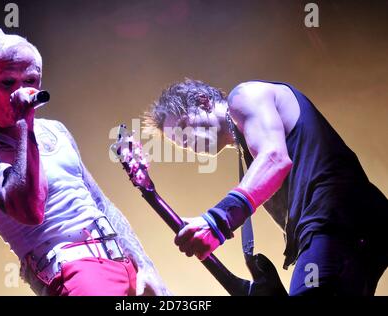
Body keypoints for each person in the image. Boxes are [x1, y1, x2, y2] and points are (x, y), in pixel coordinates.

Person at [0, 29, 170, 296]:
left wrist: (145, 265)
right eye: (7, 83)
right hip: (73, 271)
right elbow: (30, 211)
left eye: (30, 80)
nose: (20, 91)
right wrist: (23, 123)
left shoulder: (56, 131)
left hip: (122, 260)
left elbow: (100, 202)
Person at [143, 78, 387, 295]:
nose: (188, 144)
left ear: (203, 102)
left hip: (337, 220)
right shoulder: (246, 148)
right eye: (180, 143)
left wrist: (216, 220)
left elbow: (275, 159)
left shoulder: (246, 96)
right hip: (350, 229)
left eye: (184, 127)